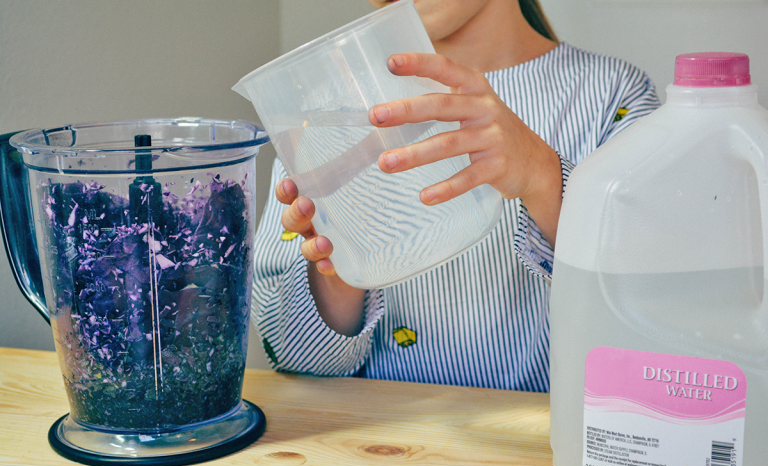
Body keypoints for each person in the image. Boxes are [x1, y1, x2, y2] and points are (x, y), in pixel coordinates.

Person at [250, 0, 660, 391]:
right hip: (377, 445)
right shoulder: (324, 119)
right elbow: (292, 357)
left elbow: (654, 312)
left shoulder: (615, 96)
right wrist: (341, 270)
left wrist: (542, 175)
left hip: (547, 448)